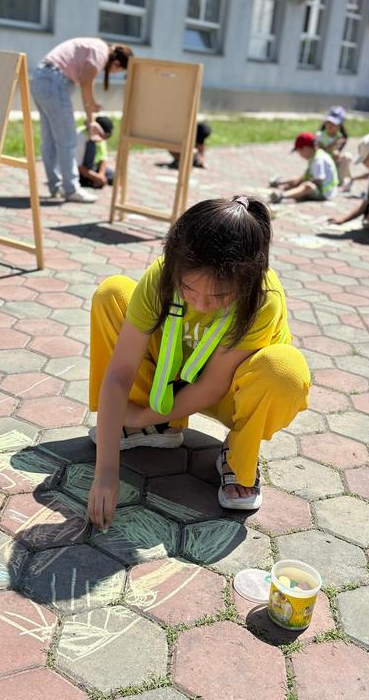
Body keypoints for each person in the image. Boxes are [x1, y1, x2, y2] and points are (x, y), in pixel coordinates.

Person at [86, 196, 310, 530]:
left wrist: (140, 414)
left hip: (230, 391)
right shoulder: (162, 274)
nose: (201, 303)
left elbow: (212, 386)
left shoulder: (263, 298)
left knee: (284, 370)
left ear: (247, 280)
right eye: (188, 289)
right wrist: (106, 472)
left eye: (219, 296)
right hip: (174, 375)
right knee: (113, 293)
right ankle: (160, 427)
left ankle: (239, 455)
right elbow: (119, 372)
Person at [31, 38, 132, 202]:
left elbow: (85, 85)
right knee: (68, 140)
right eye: (118, 71)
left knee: (50, 140)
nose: (113, 73)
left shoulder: (96, 46)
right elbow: (86, 82)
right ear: (117, 63)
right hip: (54, 82)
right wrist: (92, 107)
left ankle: (56, 186)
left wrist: (91, 119)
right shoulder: (101, 51)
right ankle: (71, 189)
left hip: (41, 79)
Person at [269, 132, 338, 203]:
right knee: (299, 179)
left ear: (305, 148)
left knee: (307, 186)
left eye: (299, 151)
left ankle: (281, 196)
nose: (300, 155)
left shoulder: (318, 160)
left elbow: (318, 180)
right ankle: (278, 183)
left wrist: (300, 185)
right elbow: (304, 177)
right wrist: (298, 182)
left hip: (325, 193)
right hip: (321, 189)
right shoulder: (315, 156)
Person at [315, 106, 353, 190]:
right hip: (322, 162)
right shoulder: (320, 135)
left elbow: (337, 151)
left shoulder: (341, 137)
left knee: (347, 157)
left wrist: (337, 153)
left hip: (334, 162)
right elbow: (319, 150)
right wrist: (334, 144)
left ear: (339, 126)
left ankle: (341, 180)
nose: (330, 125)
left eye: (334, 124)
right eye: (329, 122)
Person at [76, 115, 114, 189]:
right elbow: (78, 165)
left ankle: (94, 181)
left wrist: (101, 175)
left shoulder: (99, 137)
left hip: (94, 168)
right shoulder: (81, 136)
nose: (104, 139)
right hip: (81, 170)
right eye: (105, 136)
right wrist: (96, 178)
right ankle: (90, 181)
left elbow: (103, 158)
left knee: (114, 175)